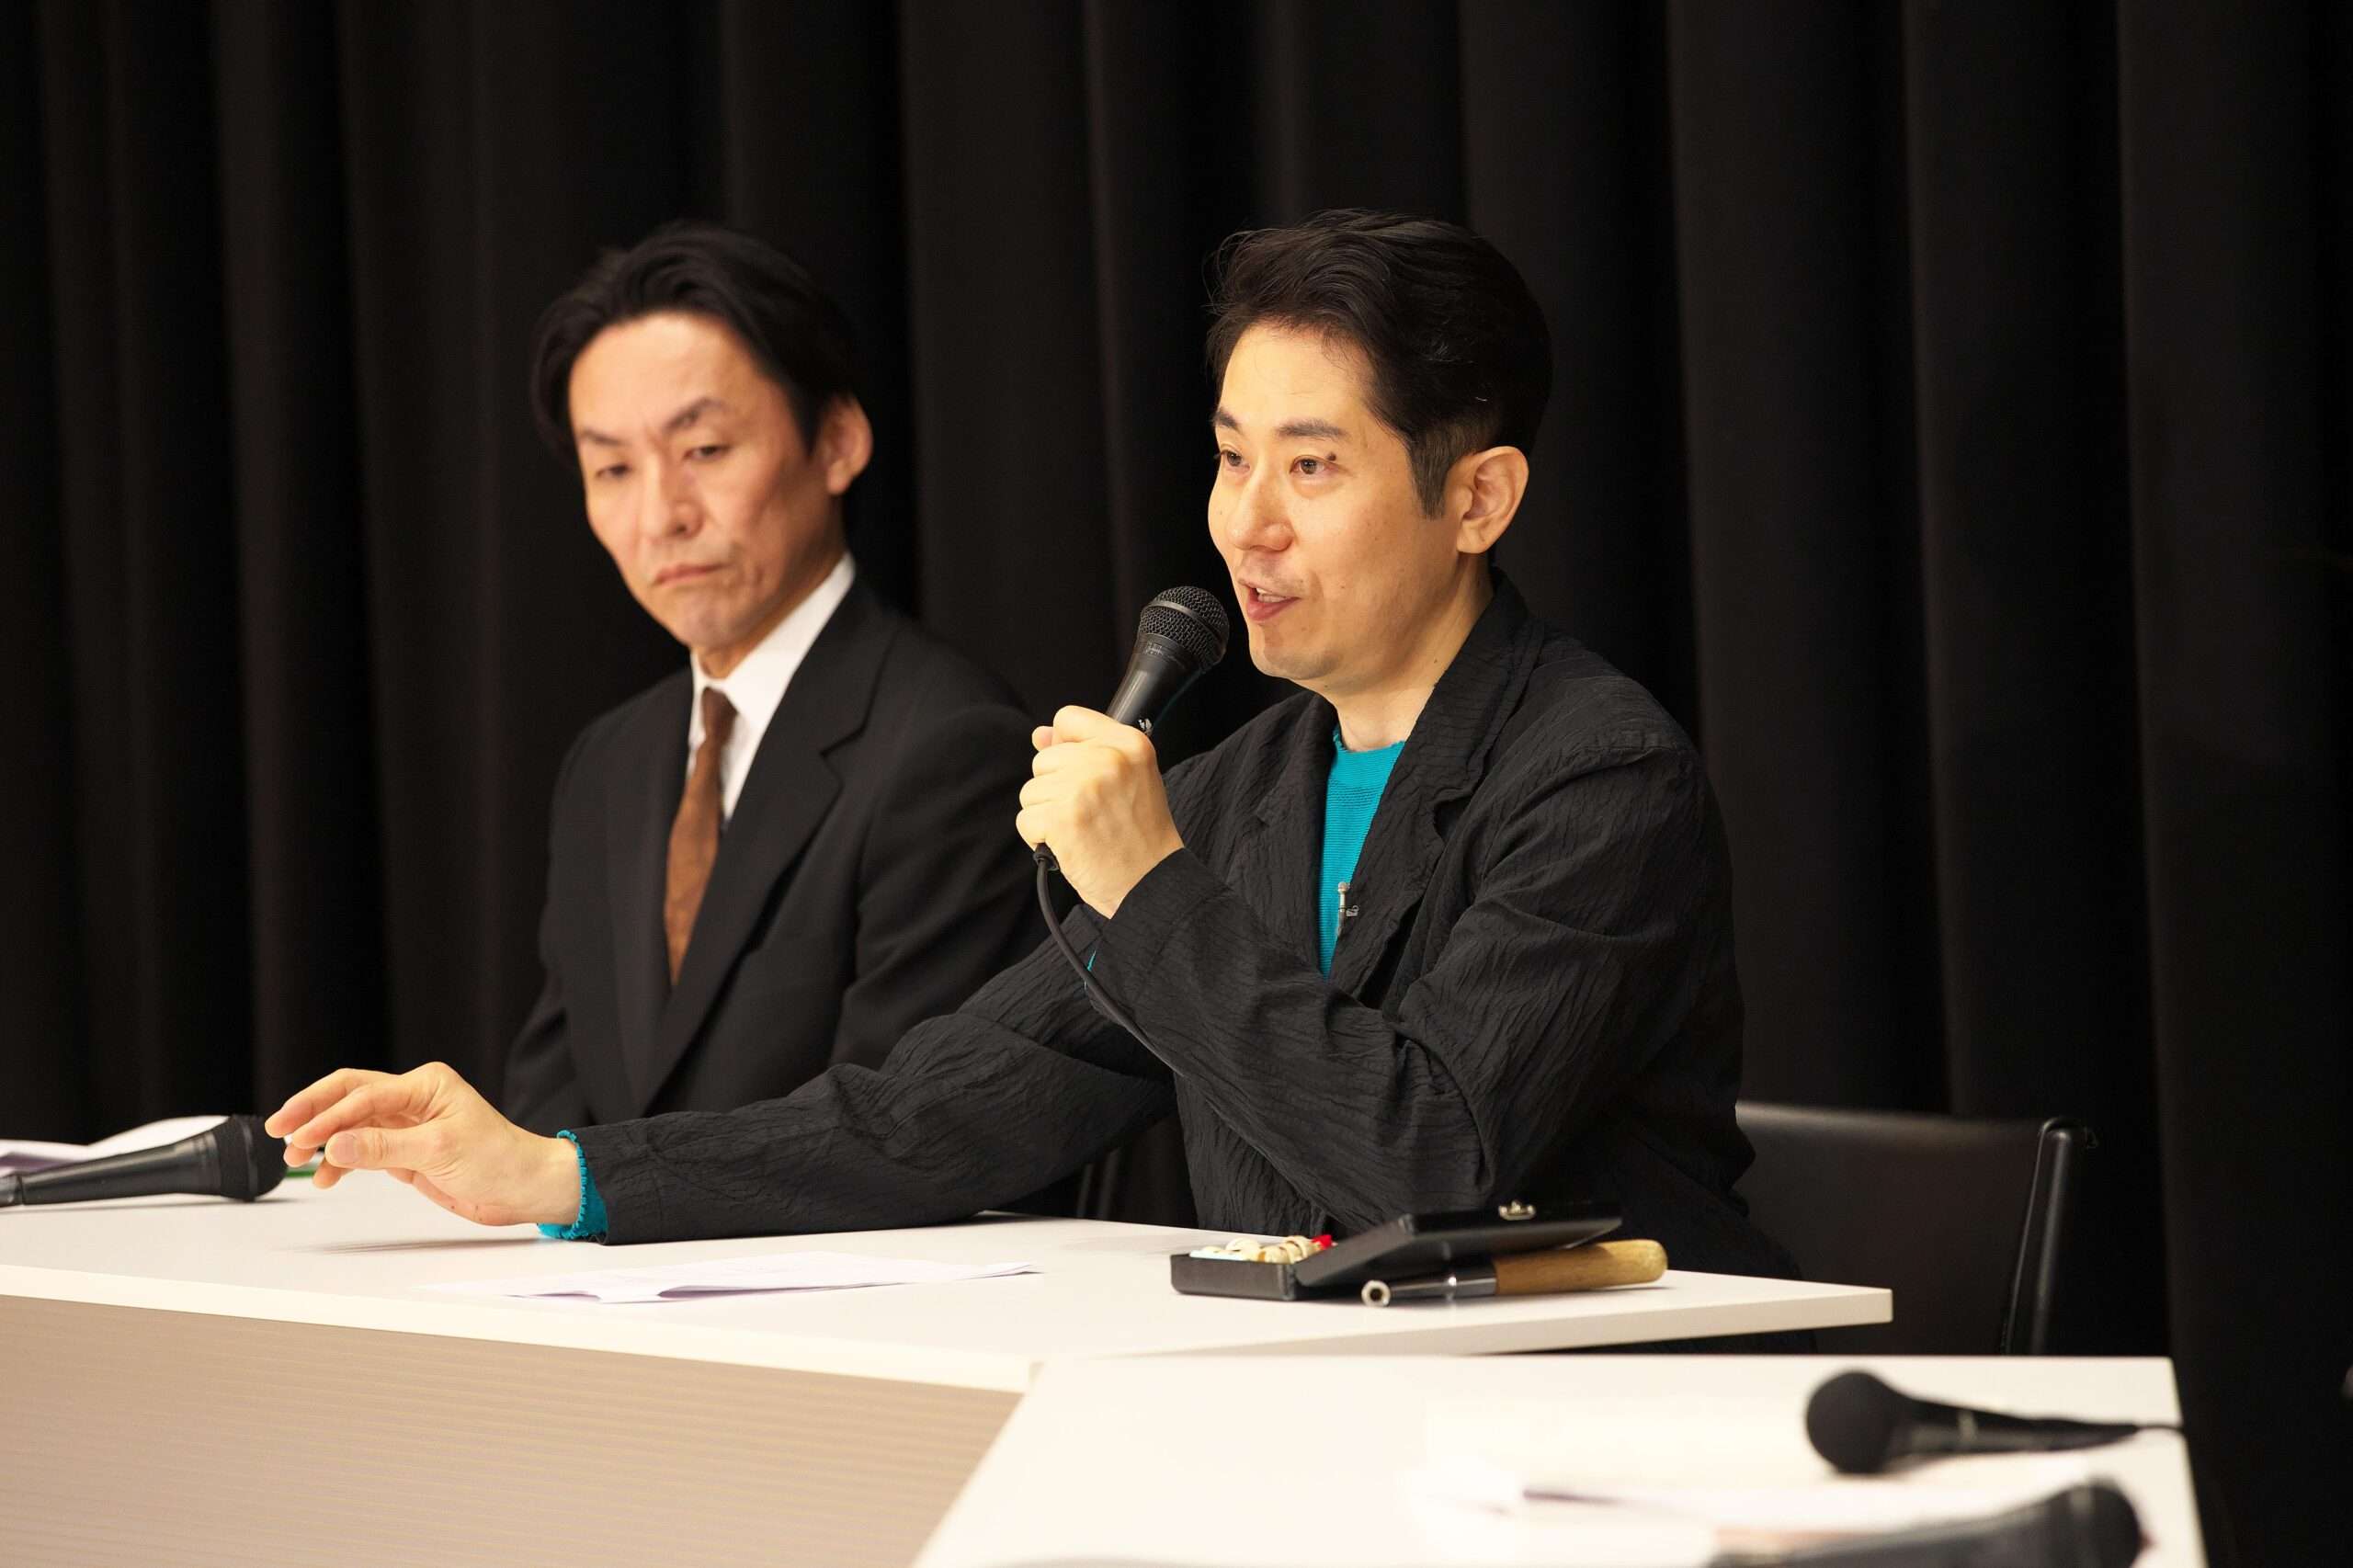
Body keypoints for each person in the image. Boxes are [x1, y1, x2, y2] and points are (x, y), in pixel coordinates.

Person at [271, 210, 1792, 1279]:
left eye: (1313, 467)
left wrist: (1154, 889)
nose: (1247, 523)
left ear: (1477, 499)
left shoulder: (1599, 775)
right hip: (1320, 1413)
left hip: (1605, 1427)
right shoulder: (1248, 786)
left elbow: (1433, 1158)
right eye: (1230, 458)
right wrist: (561, 1171)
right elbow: (941, 1109)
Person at [496, 222, 1041, 1137]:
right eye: (613, 468)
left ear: (838, 442)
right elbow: (549, 1123)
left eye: (705, 450)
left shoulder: (952, 743)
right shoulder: (608, 762)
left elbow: (899, 1138)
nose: (661, 515)